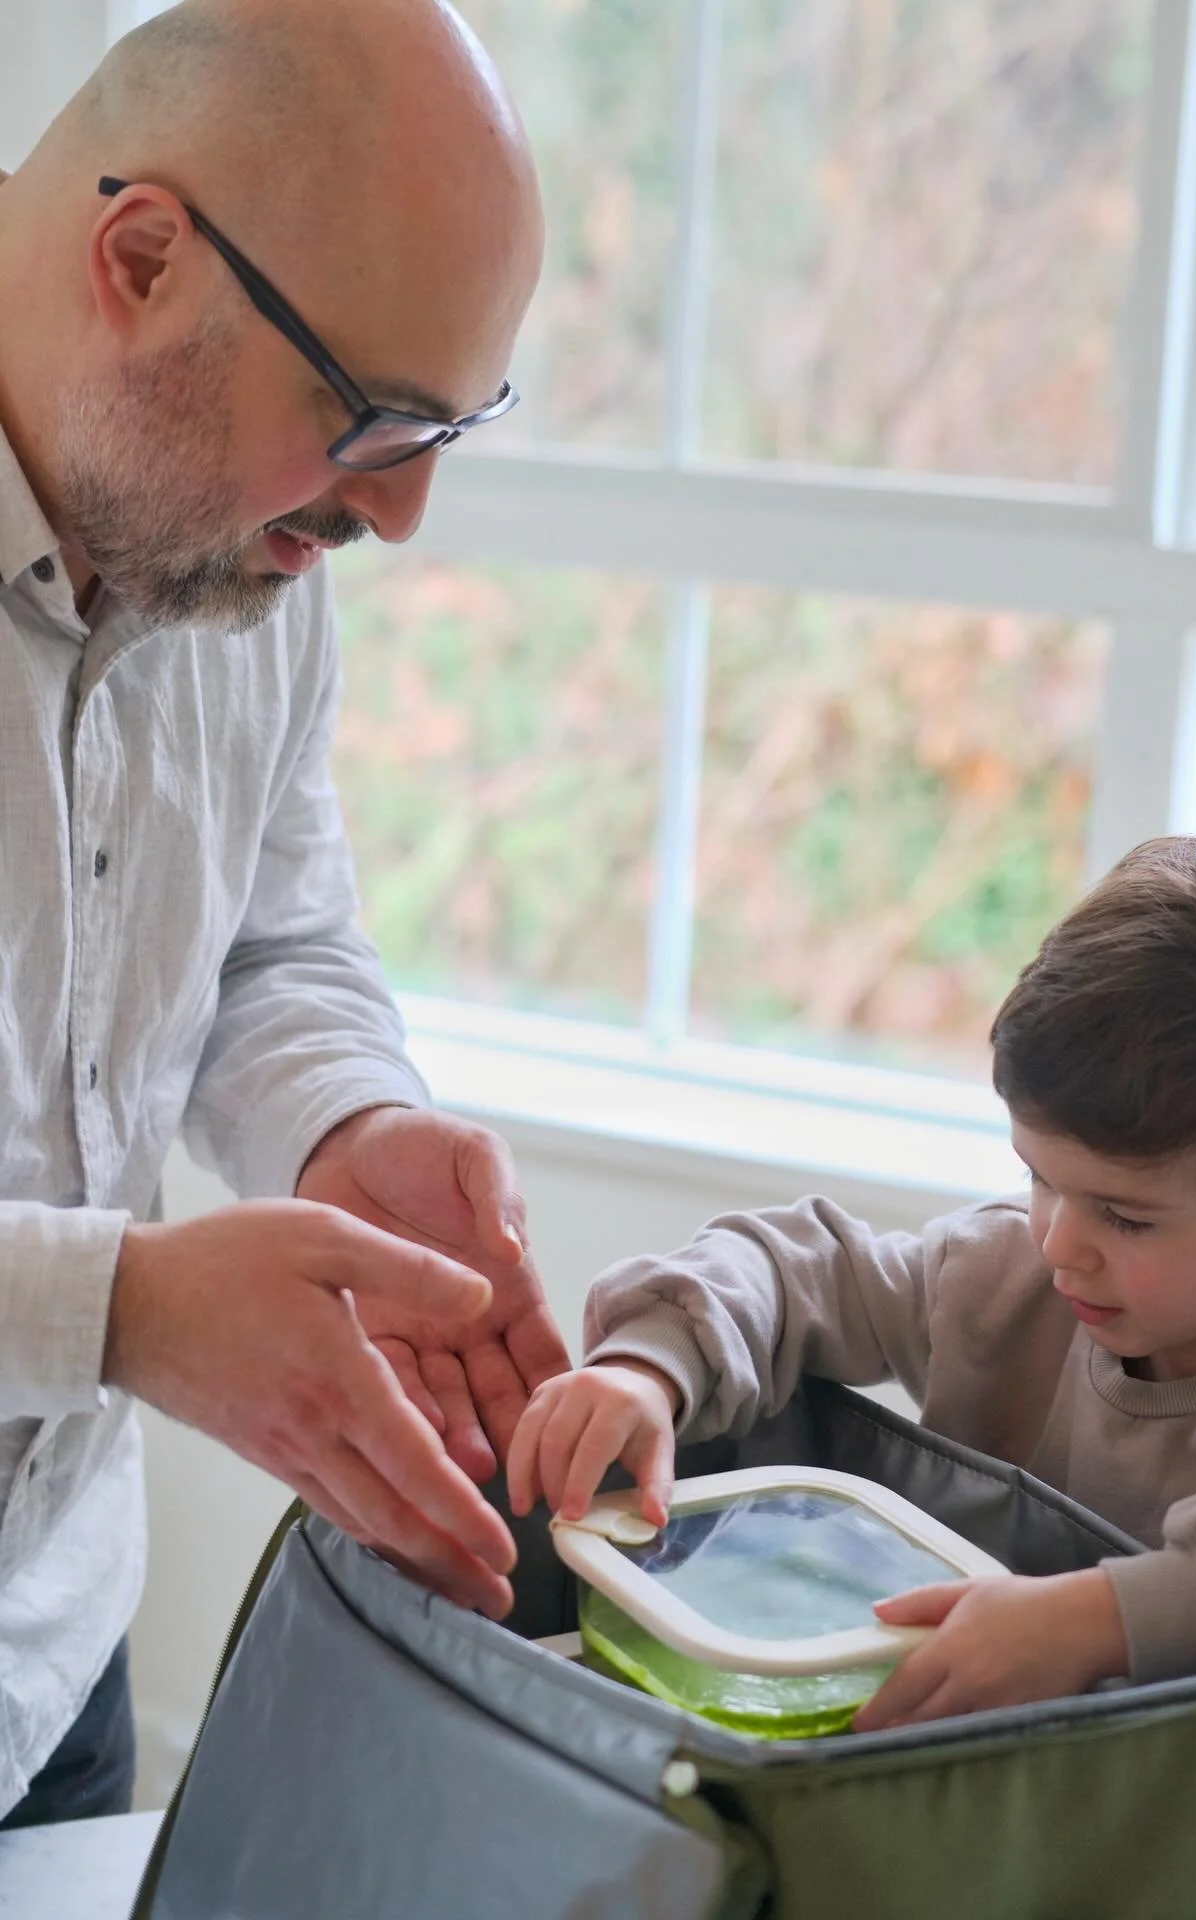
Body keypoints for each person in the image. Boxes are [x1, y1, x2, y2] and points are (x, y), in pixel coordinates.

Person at [0, 0, 567, 1829]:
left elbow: (269, 934)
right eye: (371, 420)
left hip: (50, 1643)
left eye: (450, 430)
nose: (397, 517)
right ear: (142, 257)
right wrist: (124, 1309)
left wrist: (347, 1126)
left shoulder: (243, 540)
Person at [509, 835, 1196, 1920]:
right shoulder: (1017, 1277)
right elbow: (796, 1269)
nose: (1060, 1244)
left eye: (1125, 1215)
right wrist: (650, 1362)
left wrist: (1096, 1620)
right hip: (1001, 1854)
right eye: (1037, 1178)